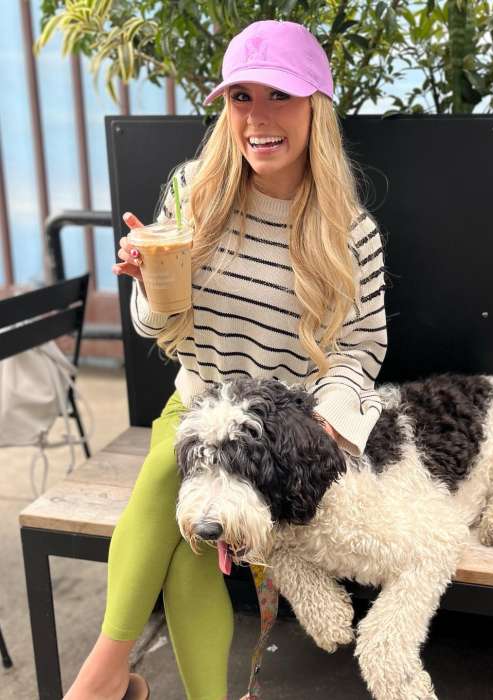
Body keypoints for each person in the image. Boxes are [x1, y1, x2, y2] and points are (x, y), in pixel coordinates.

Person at [65, 19, 388, 700]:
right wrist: (151, 289)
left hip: (283, 434)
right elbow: (162, 328)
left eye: (279, 96)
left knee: (167, 483)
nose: (258, 118)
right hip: (198, 405)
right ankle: (120, 680)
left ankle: (102, 679)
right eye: (241, 97)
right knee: (177, 489)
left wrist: (328, 425)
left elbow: (364, 348)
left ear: (315, 108)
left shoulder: (351, 232)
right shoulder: (194, 193)